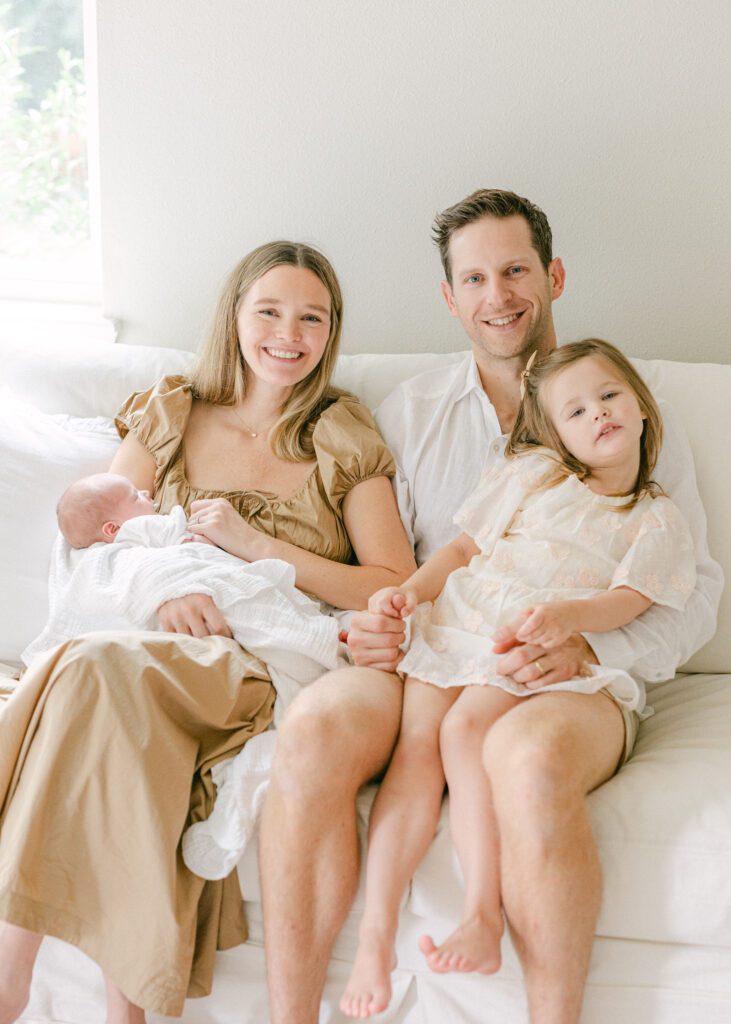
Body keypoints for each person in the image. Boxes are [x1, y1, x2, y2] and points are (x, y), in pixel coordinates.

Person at [259, 192, 723, 1024]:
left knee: (527, 758)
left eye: (514, 271)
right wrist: (371, 621)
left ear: (551, 276)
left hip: (560, 666)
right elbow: (384, 567)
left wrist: (589, 653)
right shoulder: (410, 414)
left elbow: (692, 591)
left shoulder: (625, 405)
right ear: (449, 297)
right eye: (473, 277)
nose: (496, 295)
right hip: (435, 645)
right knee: (315, 730)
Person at [0, 240, 416, 1024]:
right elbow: (100, 542)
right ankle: (109, 1004)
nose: (287, 334)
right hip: (146, 646)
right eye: (268, 311)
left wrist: (257, 546)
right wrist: (164, 594)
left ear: (331, 333)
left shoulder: (339, 435)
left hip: (255, 657)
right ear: (234, 316)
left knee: (94, 676)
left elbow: (390, 582)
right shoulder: (172, 409)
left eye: (311, 318)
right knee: (107, 697)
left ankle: (8, 977)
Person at [339, 339, 696, 1018]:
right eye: (576, 410)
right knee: (414, 753)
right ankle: (373, 939)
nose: (598, 415)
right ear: (555, 432)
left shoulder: (656, 516)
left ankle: (481, 912)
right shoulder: (531, 474)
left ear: (643, 409)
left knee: (466, 729)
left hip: (522, 635)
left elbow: (631, 600)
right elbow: (462, 548)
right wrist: (408, 595)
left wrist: (570, 617)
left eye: (610, 397)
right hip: (456, 615)